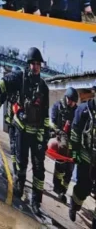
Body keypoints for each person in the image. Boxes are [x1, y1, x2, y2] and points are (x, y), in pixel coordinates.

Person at [0, 47, 53, 211]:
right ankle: (19, 188)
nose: (36, 67)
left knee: (39, 170)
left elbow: (45, 115)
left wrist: (44, 138)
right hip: (21, 130)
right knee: (21, 163)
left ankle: (36, 202)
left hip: (36, 133)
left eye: (38, 64)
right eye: (33, 63)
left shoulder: (44, 87)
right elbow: (5, 83)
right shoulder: (20, 78)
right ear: (28, 64)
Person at [69, 89, 96, 223]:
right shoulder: (84, 110)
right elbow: (75, 132)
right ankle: (74, 205)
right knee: (83, 189)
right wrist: (75, 152)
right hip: (85, 157)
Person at [51, 87, 79, 203]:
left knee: (70, 170)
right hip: (60, 140)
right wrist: (58, 132)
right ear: (66, 97)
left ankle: (63, 190)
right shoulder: (57, 106)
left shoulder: (77, 111)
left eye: (73, 101)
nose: (71, 103)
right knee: (60, 167)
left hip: (72, 143)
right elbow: (51, 123)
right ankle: (57, 187)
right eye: (69, 100)